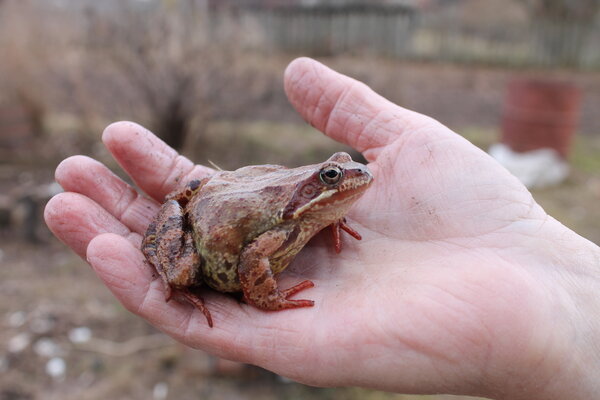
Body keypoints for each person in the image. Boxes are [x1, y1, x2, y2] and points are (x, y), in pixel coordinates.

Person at [44, 57, 600, 399]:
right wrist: (266, 299)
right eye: (333, 177)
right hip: (206, 224)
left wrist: (328, 216)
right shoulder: (282, 228)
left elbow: (317, 208)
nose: (355, 177)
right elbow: (253, 258)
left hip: (233, 195)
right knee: (185, 270)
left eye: (342, 168)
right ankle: (174, 273)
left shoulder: (313, 210)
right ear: (316, 185)